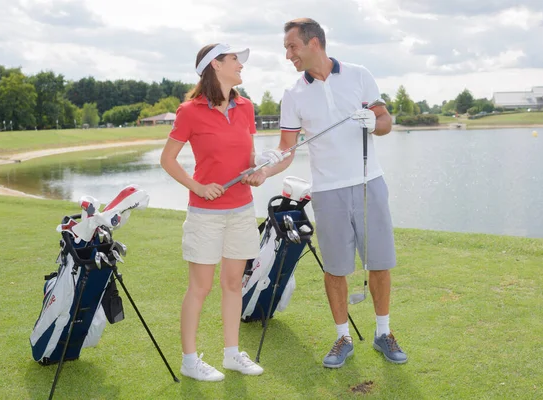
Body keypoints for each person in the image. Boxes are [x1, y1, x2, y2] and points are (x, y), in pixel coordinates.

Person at [243, 18, 408, 367]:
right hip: (328, 191)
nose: (289, 55)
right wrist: (265, 169)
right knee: (335, 269)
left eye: (292, 47)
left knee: (379, 262)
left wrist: (373, 123)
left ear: (314, 43)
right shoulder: (293, 93)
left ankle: (383, 333)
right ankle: (342, 338)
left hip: (368, 184)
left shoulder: (359, 74)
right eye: (287, 48)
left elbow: (386, 123)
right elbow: (286, 149)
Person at [160, 43, 284, 381]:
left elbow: (248, 155)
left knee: (233, 284)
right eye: (234, 60)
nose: (240, 65)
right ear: (215, 65)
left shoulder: (246, 107)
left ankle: (232, 354)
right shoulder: (189, 111)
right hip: (206, 214)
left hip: (242, 209)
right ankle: (189, 361)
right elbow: (167, 160)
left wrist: (257, 170)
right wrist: (198, 187)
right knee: (199, 288)